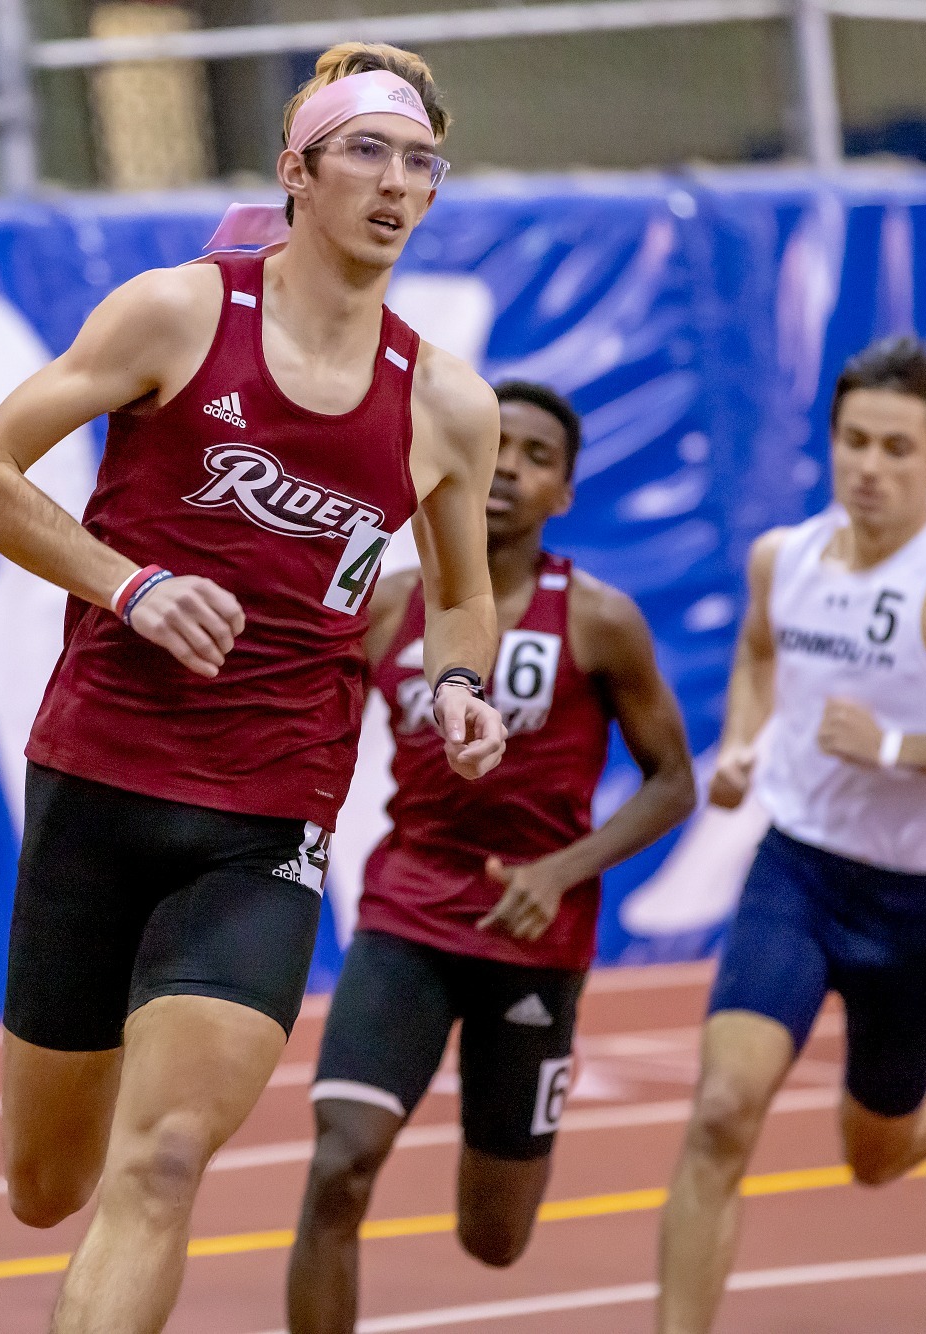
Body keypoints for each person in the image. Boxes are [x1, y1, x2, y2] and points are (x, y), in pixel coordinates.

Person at [0, 41, 506, 1334]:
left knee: (163, 1160)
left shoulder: (446, 404)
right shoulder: (178, 314)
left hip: (267, 812)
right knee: (45, 1183)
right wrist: (129, 584)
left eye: (422, 162)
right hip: (98, 777)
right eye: (367, 151)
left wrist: (461, 682)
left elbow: (460, 595)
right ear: (295, 169)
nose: (396, 181)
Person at [654, 335, 926, 1334]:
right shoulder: (784, 556)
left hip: (914, 898)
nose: (869, 467)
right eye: (853, 441)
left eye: (896, 448)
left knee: (876, 1156)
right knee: (720, 1113)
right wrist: (743, 743)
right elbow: (759, 654)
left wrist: (896, 746)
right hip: (795, 873)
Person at [284, 381, 696, 1333]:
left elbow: (673, 781)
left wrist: (561, 871)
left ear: (565, 494)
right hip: (407, 910)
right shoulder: (389, 601)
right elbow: (305, 722)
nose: (508, 467)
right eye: (497, 444)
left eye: (537, 456)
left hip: (534, 934)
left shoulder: (598, 619)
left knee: (495, 1237)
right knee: (340, 1163)